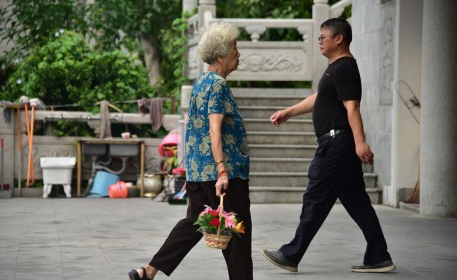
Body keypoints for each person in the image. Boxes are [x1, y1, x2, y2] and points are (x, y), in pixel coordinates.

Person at [261, 18, 396, 274]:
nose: (320, 41)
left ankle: (291, 254)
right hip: (338, 143)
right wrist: (290, 111)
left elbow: (352, 107)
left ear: (339, 38)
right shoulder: (336, 67)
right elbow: (320, 97)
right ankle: (379, 255)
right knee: (357, 202)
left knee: (315, 198)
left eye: (323, 37)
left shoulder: (345, 67)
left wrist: (360, 142)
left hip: (337, 144)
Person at [128, 22, 253, 280]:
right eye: (234, 48)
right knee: (238, 234)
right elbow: (214, 129)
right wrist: (222, 171)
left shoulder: (200, 83)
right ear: (220, 55)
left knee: (193, 224)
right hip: (222, 173)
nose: (238, 53)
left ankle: (148, 272)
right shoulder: (217, 84)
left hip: (197, 171)